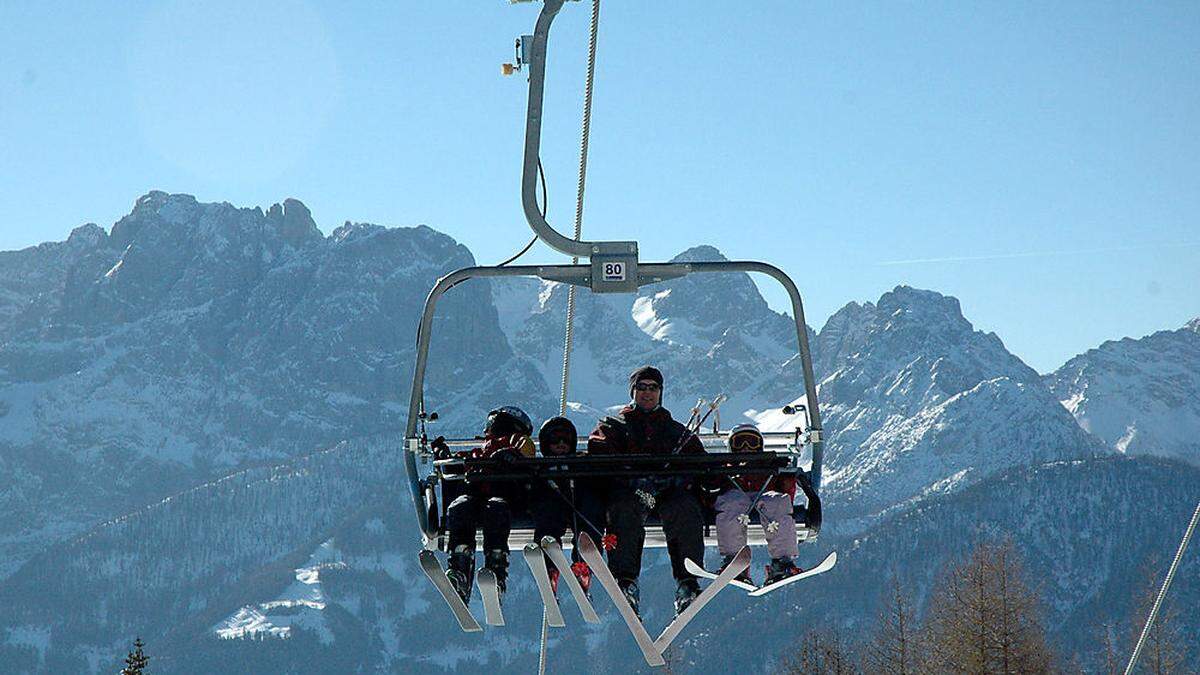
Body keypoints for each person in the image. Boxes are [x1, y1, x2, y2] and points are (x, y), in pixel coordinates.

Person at [588, 365, 707, 617]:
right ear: (633, 391)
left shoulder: (675, 431)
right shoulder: (615, 426)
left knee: (685, 508)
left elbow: (699, 463)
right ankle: (626, 580)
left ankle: (688, 582)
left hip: (666, 493)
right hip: (630, 491)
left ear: (660, 392)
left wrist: (676, 479)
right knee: (624, 509)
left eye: (653, 388)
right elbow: (598, 451)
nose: (647, 393)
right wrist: (630, 476)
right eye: (641, 387)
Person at [438, 406, 536, 604]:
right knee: (460, 506)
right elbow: (461, 465)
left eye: (490, 426)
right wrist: (443, 454)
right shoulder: (480, 450)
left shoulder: (516, 441)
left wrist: (510, 455)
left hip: (507, 497)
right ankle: (460, 565)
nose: (486, 431)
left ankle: (496, 567)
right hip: (476, 497)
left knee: (496, 509)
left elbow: (527, 451)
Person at [714, 424, 803, 585]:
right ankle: (735, 561)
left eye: (752, 442)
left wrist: (786, 476)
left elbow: (787, 492)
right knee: (731, 502)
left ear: (760, 446)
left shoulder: (769, 464)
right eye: (739, 443)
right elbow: (710, 491)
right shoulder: (724, 468)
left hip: (764, 498)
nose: (746, 448)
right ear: (731, 447)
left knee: (777, 501)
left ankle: (782, 563)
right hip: (737, 502)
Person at [529, 416, 605, 596]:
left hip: (579, 507)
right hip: (553, 507)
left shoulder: (581, 463)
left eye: (566, 439)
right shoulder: (538, 468)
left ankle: (584, 565)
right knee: (548, 515)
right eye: (555, 439)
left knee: (590, 511)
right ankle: (549, 566)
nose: (561, 443)